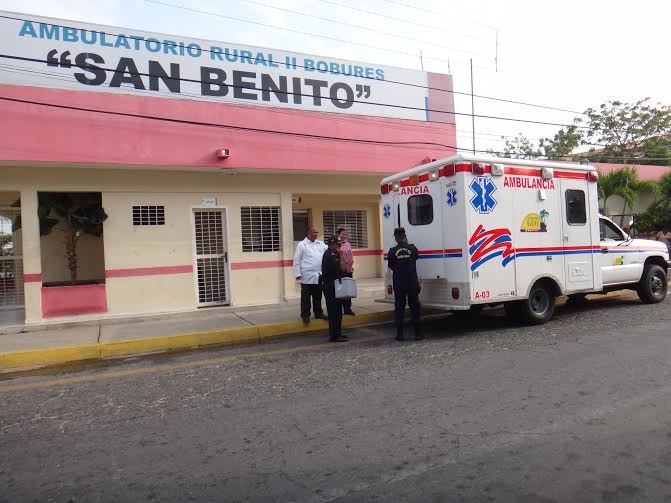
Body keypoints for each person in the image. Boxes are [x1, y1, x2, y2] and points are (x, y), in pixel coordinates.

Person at [387, 227, 422, 341]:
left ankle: (400, 334)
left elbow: (391, 265)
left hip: (399, 284)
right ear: (405, 236)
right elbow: (416, 258)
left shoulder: (392, 251)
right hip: (412, 283)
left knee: (399, 308)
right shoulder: (412, 248)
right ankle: (417, 334)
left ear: (396, 237)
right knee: (414, 307)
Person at [293, 226, 328, 323]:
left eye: (317, 232)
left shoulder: (320, 244)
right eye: (314, 232)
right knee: (306, 298)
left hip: (318, 275)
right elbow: (297, 260)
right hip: (306, 276)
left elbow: (329, 250)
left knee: (318, 296)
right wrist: (297, 274)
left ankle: (318, 313)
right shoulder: (302, 245)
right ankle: (305, 315)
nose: (316, 234)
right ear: (308, 232)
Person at [321, 235, 347, 342]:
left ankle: (338, 333)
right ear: (331, 245)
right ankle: (334, 336)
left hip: (336, 287)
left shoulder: (334, 254)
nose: (338, 246)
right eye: (336, 244)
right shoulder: (328, 256)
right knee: (333, 312)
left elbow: (343, 269)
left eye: (338, 244)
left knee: (338, 311)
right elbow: (340, 268)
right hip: (330, 288)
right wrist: (341, 255)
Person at [337, 227, 355, 316]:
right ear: (338, 235)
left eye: (345, 234)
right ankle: (339, 309)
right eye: (342, 234)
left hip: (348, 270)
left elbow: (351, 255)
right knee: (341, 290)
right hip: (341, 271)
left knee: (348, 290)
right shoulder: (337, 244)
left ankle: (348, 308)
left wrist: (351, 264)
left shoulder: (348, 244)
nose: (344, 236)